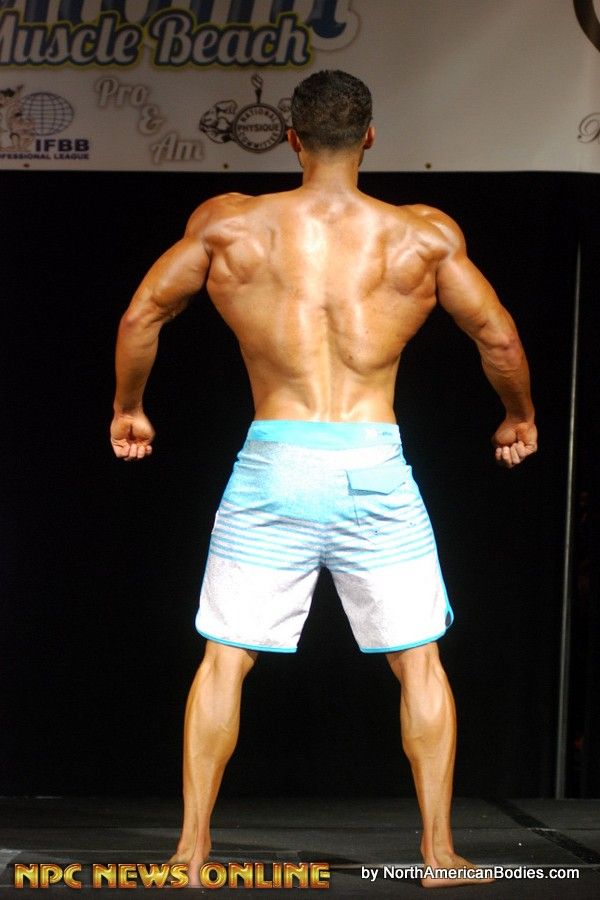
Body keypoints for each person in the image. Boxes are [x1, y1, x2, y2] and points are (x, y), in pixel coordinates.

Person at [110, 70, 537, 888]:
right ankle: (440, 855)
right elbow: (500, 340)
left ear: (291, 138)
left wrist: (130, 407)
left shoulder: (230, 224)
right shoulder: (422, 236)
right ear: (370, 136)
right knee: (419, 662)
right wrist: (518, 416)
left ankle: (190, 854)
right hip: (373, 464)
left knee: (225, 658)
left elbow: (141, 315)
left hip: (273, 463)